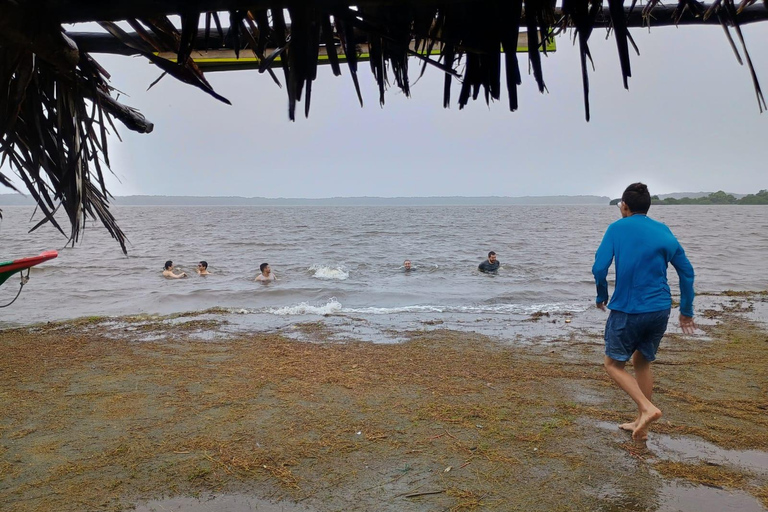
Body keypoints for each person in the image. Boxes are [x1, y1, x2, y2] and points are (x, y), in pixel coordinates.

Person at [592, 182, 695, 442]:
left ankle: (647, 409)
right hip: (660, 308)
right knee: (641, 362)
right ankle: (641, 424)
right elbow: (686, 272)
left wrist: (602, 295)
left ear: (624, 206)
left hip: (629, 309)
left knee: (613, 364)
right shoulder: (663, 230)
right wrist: (686, 310)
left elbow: (599, 268)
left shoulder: (616, 228)